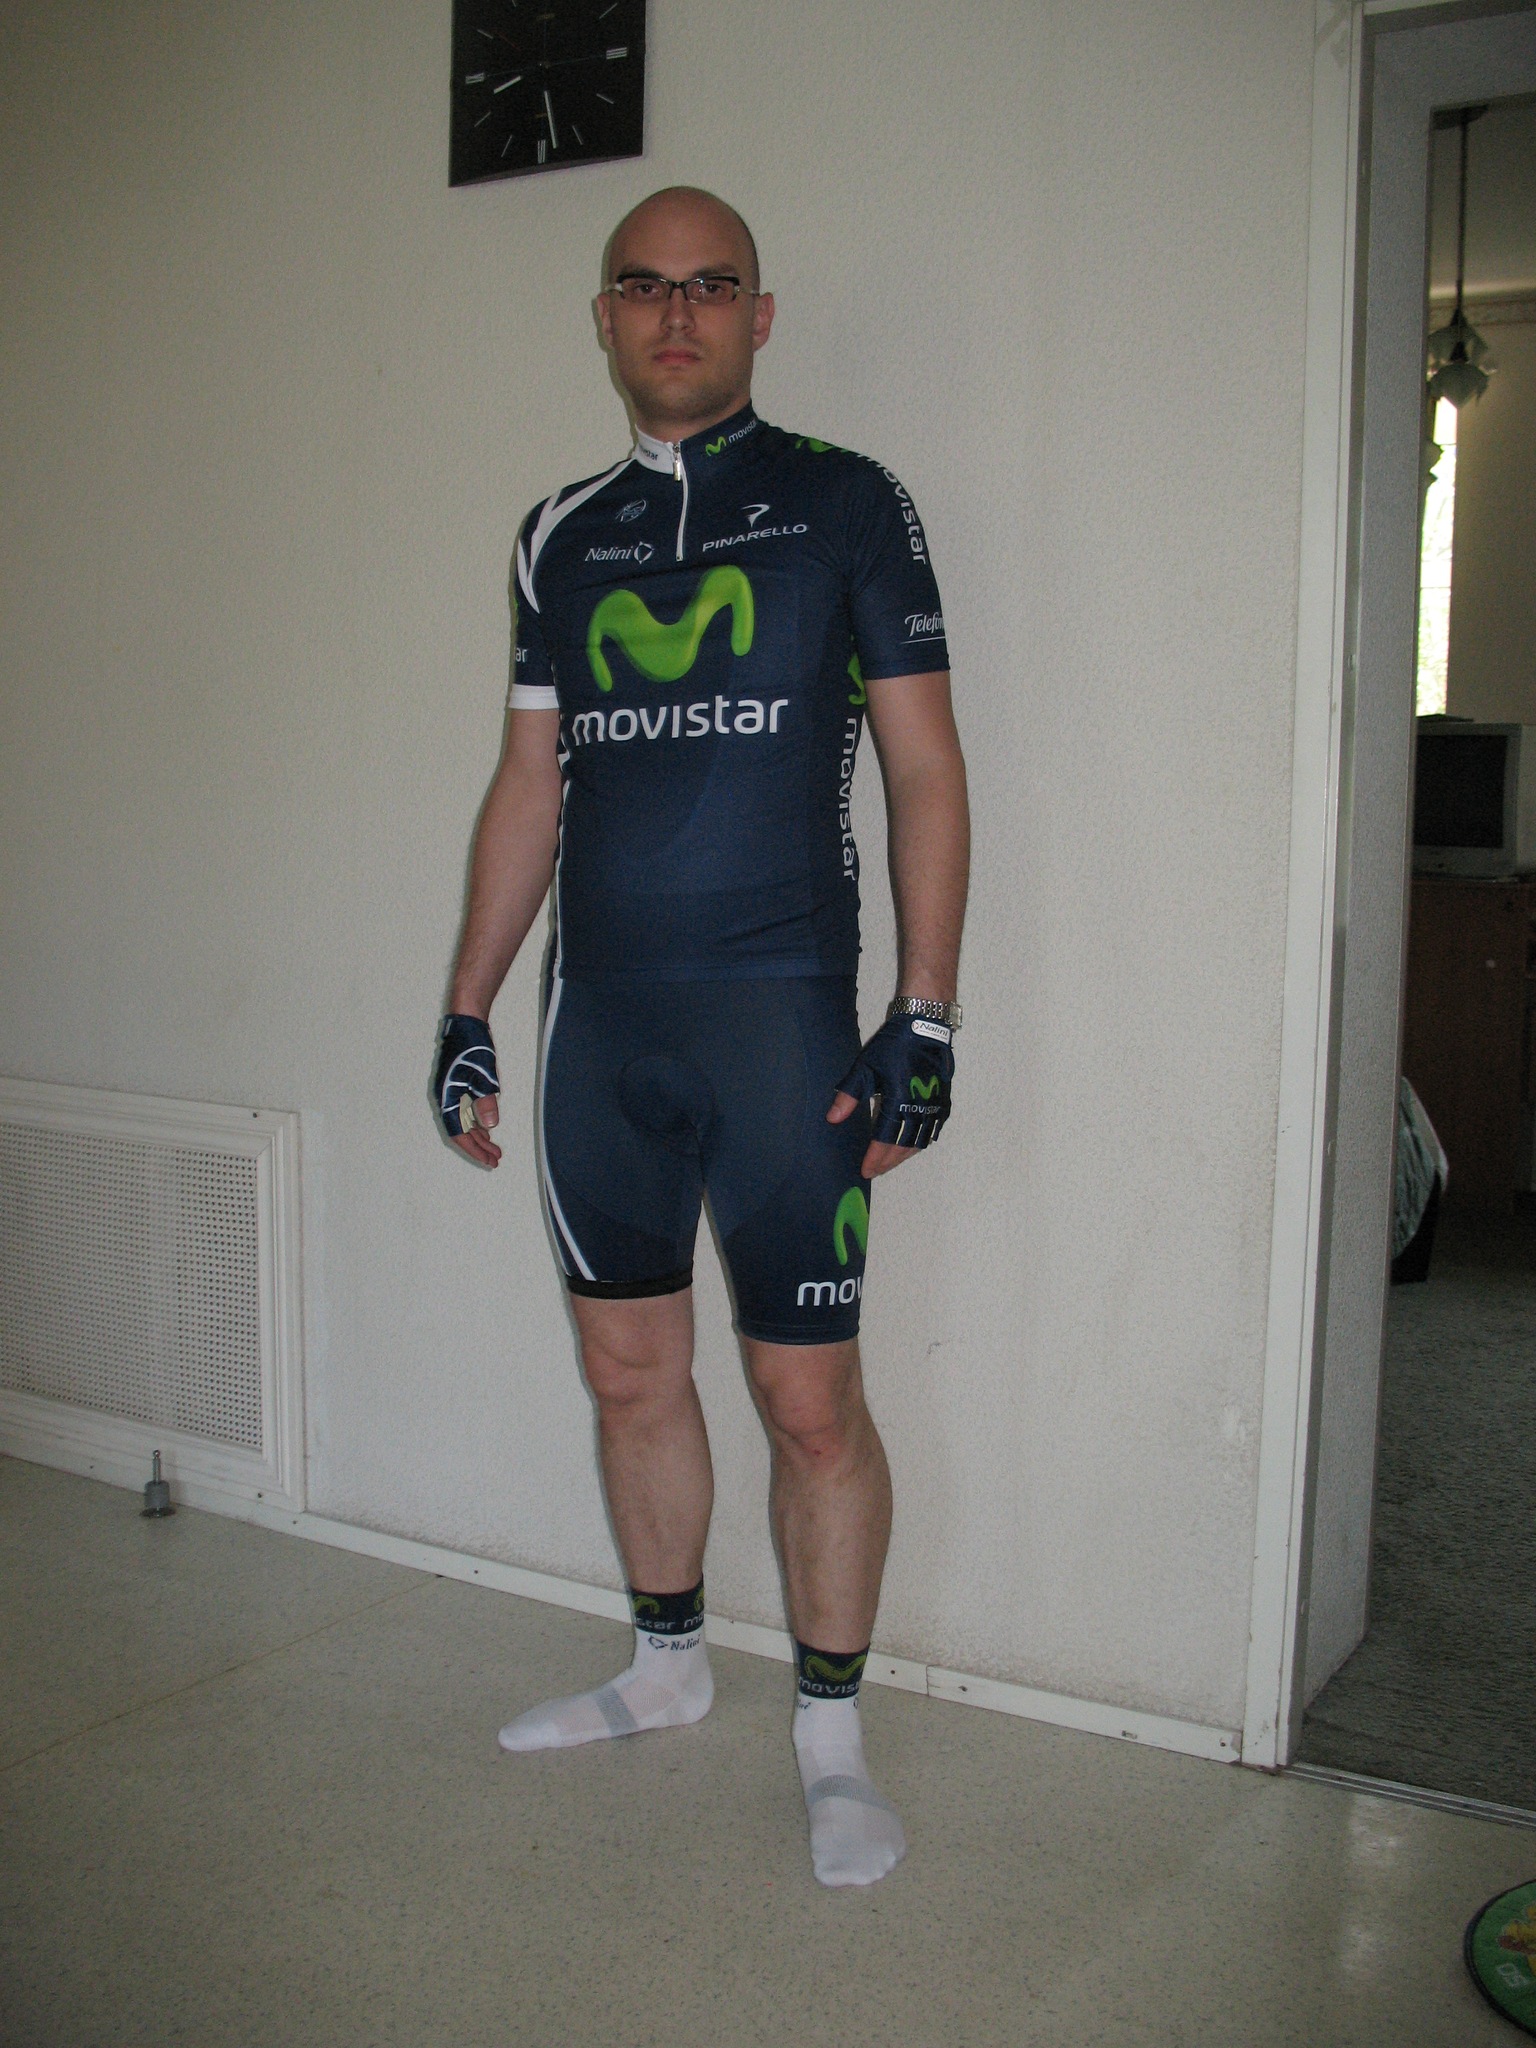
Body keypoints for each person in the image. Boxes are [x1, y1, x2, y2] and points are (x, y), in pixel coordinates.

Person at [433, 187, 969, 1888]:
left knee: (810, 1399)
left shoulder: (847, 502)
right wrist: (465, 1007)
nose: (678, 315)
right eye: (646, 289)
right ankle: (667, 1665)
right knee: (628, 1371)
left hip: (780, 1020)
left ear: (759, 314)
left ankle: (831, 1731)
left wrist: (927, 1007)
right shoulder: (555, 534)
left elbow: (925, 766)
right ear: (606, 317)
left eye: (711, 286)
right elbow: (530, 785)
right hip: (600, 1028)